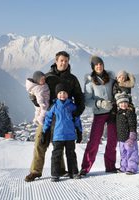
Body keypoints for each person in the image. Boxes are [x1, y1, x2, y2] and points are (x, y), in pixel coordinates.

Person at [25, 51, 85, 182]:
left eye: (66, 61)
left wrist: (77, 112)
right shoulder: (48, 77)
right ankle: (35, 171)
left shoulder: (72, 79)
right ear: (56, 61)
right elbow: (37, 92)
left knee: (61, 144)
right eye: (61, 60)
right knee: (40, 141)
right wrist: (34, 100)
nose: (64, 63)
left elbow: (79, 97)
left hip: (65, 117)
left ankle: (61, 170)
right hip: (48, 115)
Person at [79, 56, 118, 177]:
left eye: (100, 64)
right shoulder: (90, 82)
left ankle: (110, 166)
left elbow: (117, 90)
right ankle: (85, 168)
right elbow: (87, 101)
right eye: (96, 65)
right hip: (99, 113)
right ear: (93, 67)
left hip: (112, 113)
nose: (99, 66)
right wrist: (99, 103)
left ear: (103, 65)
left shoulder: (111, 79)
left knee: (112, 140)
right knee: (94, 141)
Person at [41, 83, 83, 182]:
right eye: (60, 93)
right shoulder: (54, 106)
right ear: (57, 94)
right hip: (57, 136)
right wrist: (44, 132)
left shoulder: (72, 107)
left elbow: (77, 120)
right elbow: (48, 119)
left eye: (64, 93)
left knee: (71, 154)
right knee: (56, 155)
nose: (62, 94)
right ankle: (55, 174)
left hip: (70, 136)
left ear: (68, 95)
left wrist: (79, 132)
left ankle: (73, 172)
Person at [115, 91, 139, 174]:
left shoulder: (130, 112)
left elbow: (133, 124)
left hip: (129, 138)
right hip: (121, 138)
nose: (123, 104)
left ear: (128, 103)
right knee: (123, 153)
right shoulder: (118, 113)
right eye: (121, 103)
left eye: (125, 102)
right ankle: (124, 167)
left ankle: (132, 168)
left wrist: (132, 135)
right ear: (118, 104)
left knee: (132, 152)